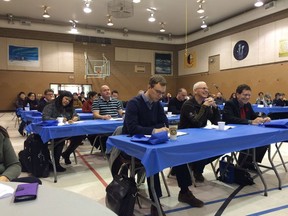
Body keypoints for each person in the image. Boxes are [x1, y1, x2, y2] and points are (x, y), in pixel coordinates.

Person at [123, 75, 204, 216]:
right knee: (154, 158)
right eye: (158, 92)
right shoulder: (133, 103)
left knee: (178, 153)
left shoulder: (157, 104)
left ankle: (184, 192)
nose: (160, 96)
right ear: (149, 87)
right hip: (134, 145)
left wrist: (157, 129)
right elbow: (132, 128)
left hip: (154, 142)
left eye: (162, 93)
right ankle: (155, 200)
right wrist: (154, 129)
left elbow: (165, 124)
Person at [178, 81, 220, 182]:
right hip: (186, 136)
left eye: (207, 88)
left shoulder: (205, 103)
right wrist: (204, 107)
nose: (206, 90)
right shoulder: (188, 104)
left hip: (201, 135)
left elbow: (216, 121)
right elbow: (195, 122)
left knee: (220, 147)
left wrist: (215, 108)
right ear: (195, 91)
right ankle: (196, 169)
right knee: (204, 148)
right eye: (203, 88)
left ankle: (195, 166)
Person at [223, 84, 271, 169]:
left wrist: (263, 119)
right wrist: (249, 121)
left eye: (249, 95)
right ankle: (242, 163)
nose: (247, 97)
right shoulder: (230, 103)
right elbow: (229, 118)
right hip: (233, 133)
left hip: (246, 131)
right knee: (251, 140)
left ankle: (250, 162)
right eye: (245, 95)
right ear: (237, 94)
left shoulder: (247, 104)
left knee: (265, 140)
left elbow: (253, 116)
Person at [42, 91, 84, 172]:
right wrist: (57, 120)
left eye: (69, 100)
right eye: (66, 99)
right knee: (60, 140)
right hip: (55, 131)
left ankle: (66, 154)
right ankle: (56, 163)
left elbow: (76, 115)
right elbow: (45, 118)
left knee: (80, 136)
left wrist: (75, 118)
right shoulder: (51, 106)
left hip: (68, 130)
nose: (67, 101)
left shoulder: (70, 107)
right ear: (61, 97)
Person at [92, 85, 123, 151]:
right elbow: (95, 114)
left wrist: (126, 114)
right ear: (101, 92)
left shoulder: (116, 101)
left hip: (115, 123)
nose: (107, 92)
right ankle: (108, 150)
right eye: (105, 90)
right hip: (103, 124)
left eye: (108, 90)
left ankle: (118, 150)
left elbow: (121, 113)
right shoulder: (96, 101)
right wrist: (103, 117)